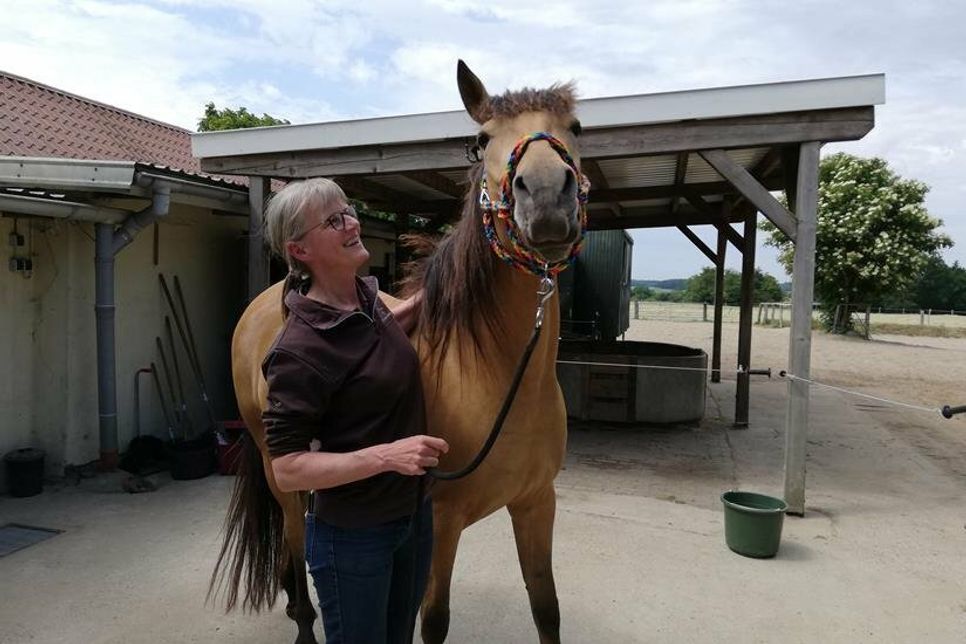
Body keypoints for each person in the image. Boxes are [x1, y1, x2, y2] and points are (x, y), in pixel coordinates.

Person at [260, 177, 448, 643]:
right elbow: (286, 469)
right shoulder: (299, 349)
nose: (352, 223)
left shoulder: (365, 300)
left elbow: (378, 335)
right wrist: (387, 456)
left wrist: (433, 293)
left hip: (413, 518)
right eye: (333, 220)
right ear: (299, 251)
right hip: (354, 537)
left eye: (348, 210)